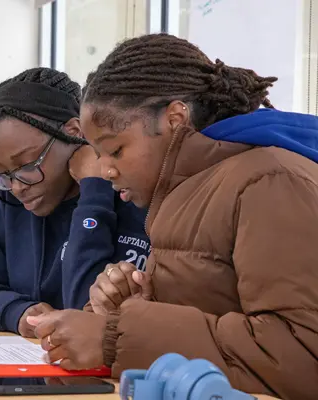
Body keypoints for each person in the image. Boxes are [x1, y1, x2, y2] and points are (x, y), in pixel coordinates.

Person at [28, 34, 318, 400]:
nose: (104, 170)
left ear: (176, 119)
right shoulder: (186, 194)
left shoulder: (271, 180)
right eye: (98, 154)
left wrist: (115, 337)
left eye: (115, 150)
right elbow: (216, 324)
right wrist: (126, 306)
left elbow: (302, 356)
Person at [0, 67, 149, 337]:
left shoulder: (130, 196)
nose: (16, 186)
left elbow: (84, 307)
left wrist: (94, 190)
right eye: (2, 172)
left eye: (27, 164)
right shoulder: (7, 199)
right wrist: (19, 313)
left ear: (75, 132)